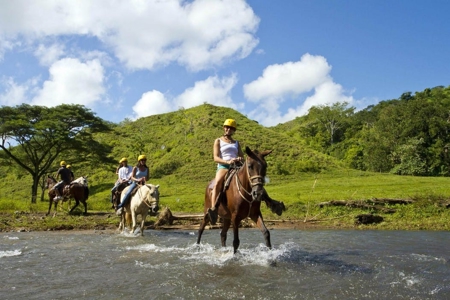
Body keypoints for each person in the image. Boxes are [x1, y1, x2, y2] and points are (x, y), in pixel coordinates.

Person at [207, 119, 285, 225]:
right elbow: (216, 158)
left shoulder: (236, 143)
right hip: (224, 166)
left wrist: (239, 159)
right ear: (224, 128)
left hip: (236, 166)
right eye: (227, 127)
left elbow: (241, 156)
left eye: (231, 128)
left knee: (255, 181)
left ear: (234, 130)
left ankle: (271, 202)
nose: (228, 129)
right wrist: (228, 161)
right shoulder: (218, 141)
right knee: (217, 184)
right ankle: (213, 209)